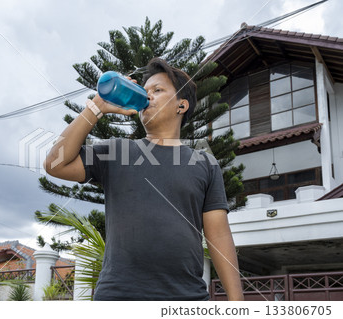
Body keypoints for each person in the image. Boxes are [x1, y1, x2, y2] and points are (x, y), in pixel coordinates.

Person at [44, 58, 244, 301]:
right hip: (117, 299)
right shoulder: (116, 152)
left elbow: (219, 236)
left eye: (157, 90)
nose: (147, 96)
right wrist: (95, 108)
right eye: (144, 91)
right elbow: (55, 164)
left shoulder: (204, 164)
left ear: (181, 106)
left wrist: (237, 304)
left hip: (187, 299)